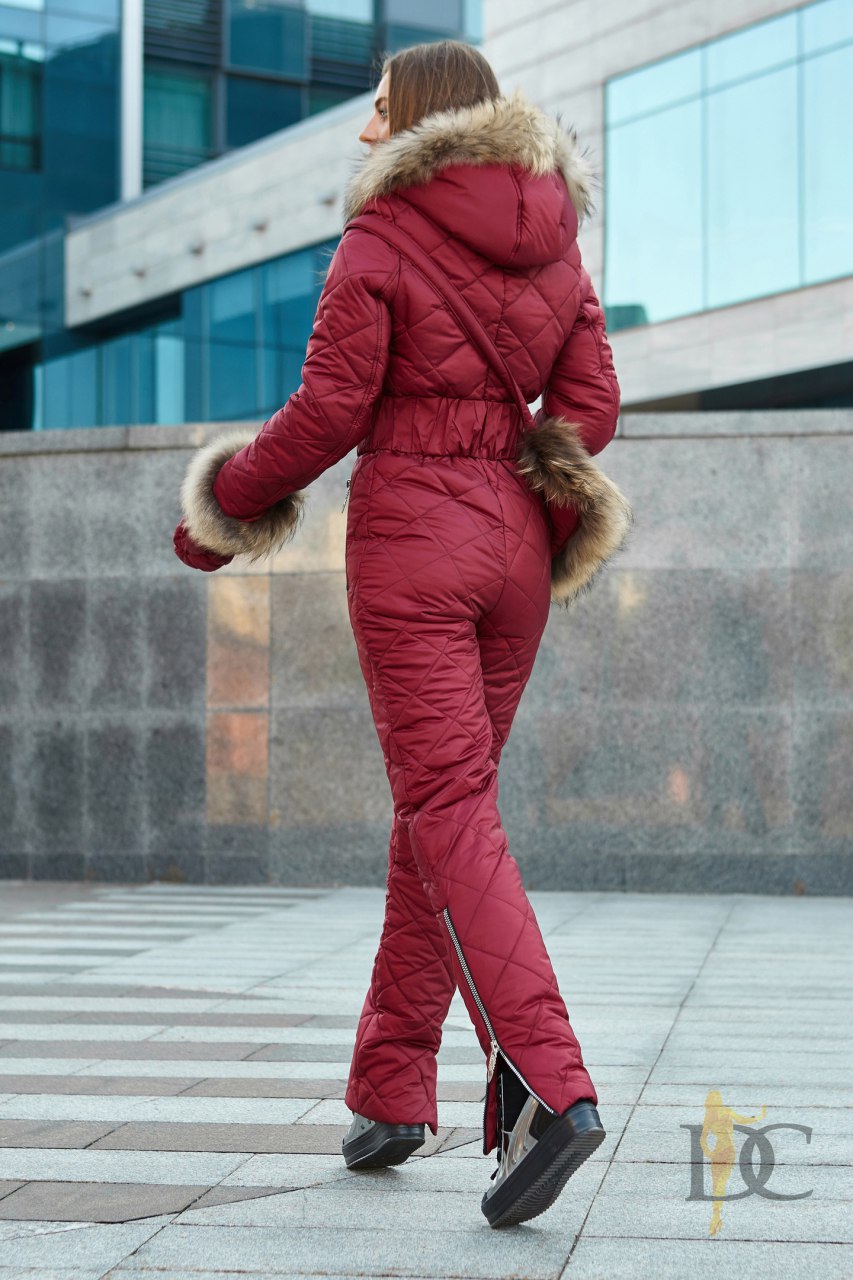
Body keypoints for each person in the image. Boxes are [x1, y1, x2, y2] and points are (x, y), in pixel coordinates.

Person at [174, 39, 631, 1228]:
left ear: (421, 116)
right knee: (439, 804)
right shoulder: (556, 238)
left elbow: (330, 407)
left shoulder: (380, 235)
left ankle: (547, 1085)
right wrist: (524, 474)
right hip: (515, 552)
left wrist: (225, 510)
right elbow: (592, 402)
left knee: (446, 807)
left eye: (378, 108)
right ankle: (391, 1087)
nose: (364, 129)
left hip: (412, 546)